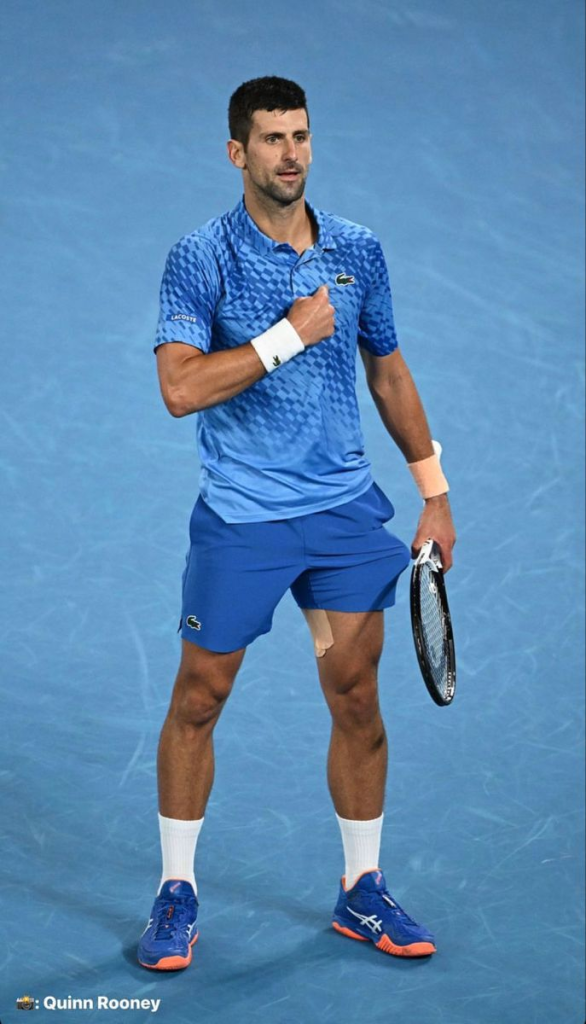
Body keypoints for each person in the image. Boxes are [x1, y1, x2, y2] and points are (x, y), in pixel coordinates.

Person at [138, 76, 456, 971]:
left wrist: (434, 492)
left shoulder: (357, 248)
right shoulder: (200, 257)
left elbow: (388, 371)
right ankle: (175, 891)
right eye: (272, 139)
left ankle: (362, 888)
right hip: (244, 519)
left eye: (301, 136)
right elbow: (179, 388)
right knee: (199, 699)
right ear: (236, 152)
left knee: (357, 696)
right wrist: (287, 337)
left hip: (344, 512)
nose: (290, 154)